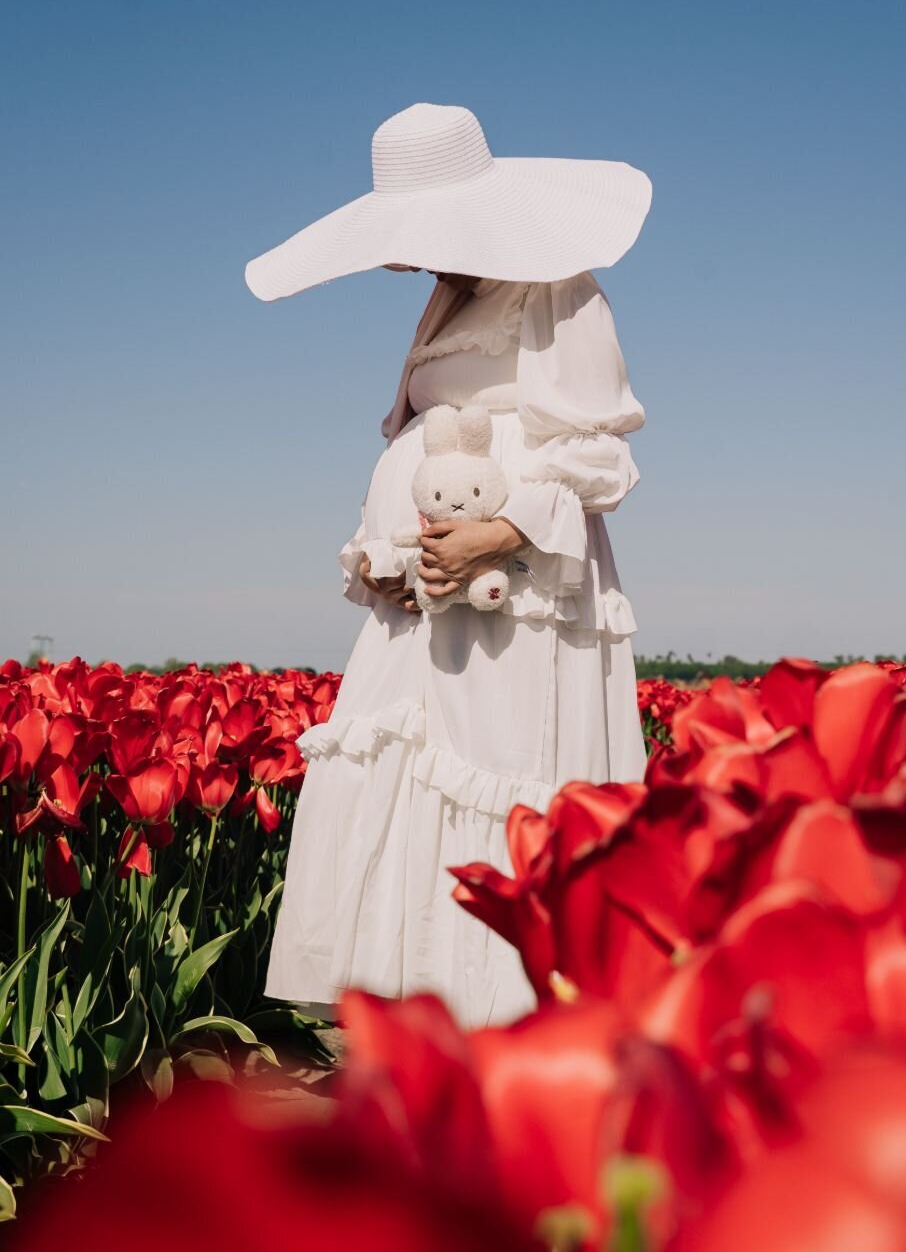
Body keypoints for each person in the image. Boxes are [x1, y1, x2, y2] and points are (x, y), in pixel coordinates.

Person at [245, 103, 652, 1027]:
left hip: (520, 594)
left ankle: (511, 1025)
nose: (417, 256)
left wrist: (502, 529)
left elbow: (600, 460)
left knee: (496, 773)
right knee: (391, 778)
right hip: (420, 603)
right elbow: (420, 438)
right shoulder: (448, 297)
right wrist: (379, 554)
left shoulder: (561, 290)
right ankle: (416, 1023)